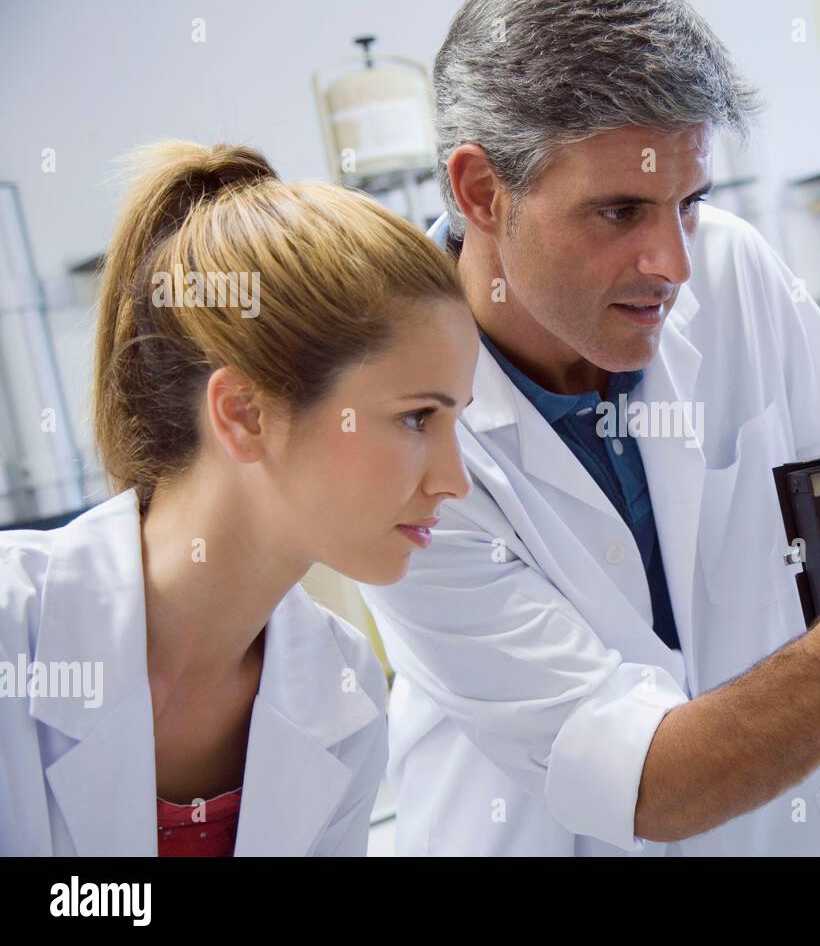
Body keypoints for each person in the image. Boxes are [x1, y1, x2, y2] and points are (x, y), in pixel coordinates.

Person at [361, 0, 820, 855]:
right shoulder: (387, 422)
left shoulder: (732, 269)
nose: (672, 263)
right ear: (482, 190)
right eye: (620, 210)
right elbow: (643, 782)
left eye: (691, 201)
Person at [0, 141, 477, 856]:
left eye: (456, 421)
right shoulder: (16, 631)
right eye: (416, 418)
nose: (455, 480)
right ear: (246, 415)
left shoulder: (344, 694)